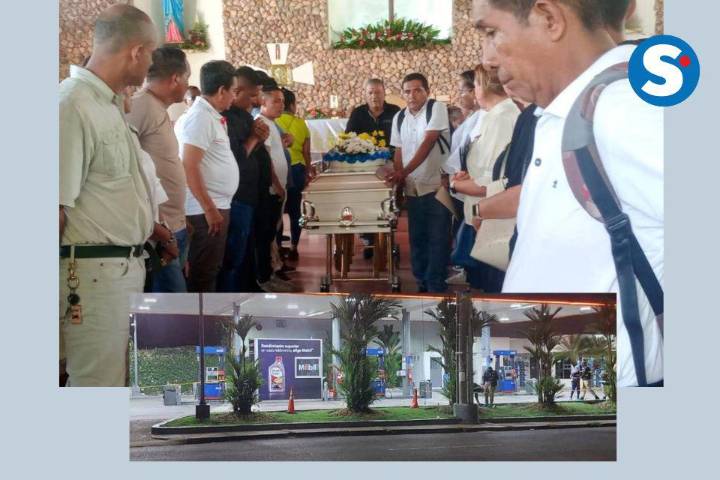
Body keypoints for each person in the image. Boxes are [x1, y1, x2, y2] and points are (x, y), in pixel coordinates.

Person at [474, 0, 663, 387]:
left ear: (549, 18)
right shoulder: (571, 110)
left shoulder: (625, 109)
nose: (487, 58)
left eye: (492, 32)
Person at [59, 4, 157, 386]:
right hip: (91, 275)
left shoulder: (107, 103)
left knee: (113, 380)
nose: (151, 63)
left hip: (118, 269)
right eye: (151, 53)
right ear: (136, 51)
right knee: (97, 384)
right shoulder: (72, 104)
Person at [126, 46, 191, 293]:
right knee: (173, 304)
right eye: (186, 78)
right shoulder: (141, 106)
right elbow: (130, 170)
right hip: (159, 231)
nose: (187, 84)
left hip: (173, 223)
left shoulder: (155, 107)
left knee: (176, 300)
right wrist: (161, 230)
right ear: (175, 78)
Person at [451, 64, 520, 292]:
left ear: (485, 86)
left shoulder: (502, 117)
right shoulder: (495, 115)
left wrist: (456, 184)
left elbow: (492, 181)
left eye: (476, 85)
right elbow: (486, 167)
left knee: (492, 286)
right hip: (484, 214)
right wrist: (468, 176)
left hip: (492, 218)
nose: (474, 91)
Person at [177, 60, 240, 292]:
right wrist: (209, 208)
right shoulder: (200, 118)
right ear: (222, 90)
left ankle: (206, 311)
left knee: (210, 268)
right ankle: (200, 315)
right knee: (203, 272)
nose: (234, 97)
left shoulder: (210, 115)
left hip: (214, 205)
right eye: (233, 91)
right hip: (204, 210)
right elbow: (189, 165)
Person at [388, 73, 452, 293]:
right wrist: (399, 181)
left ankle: (436, 284)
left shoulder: (436, 109)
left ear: (427, 91)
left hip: (436, 185)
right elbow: (398, 150)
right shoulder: (399, 118)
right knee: (417, 238)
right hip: (412, 187)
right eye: (407, 91)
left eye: (417, 90)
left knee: (438, 237)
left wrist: (403, 172)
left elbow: (429, 141)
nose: (412, 95)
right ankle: (422, 282)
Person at [217, 66, 270, 292]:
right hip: (237, 196)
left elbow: (252, 150)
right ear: (236, 92)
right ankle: (230, 300)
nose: (256, 100)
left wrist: (259, 138)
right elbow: (236, 158)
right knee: (234, 257)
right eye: (252, 95)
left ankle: (248, 290)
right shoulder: (226, 119)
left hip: (250, 194)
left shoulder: (244, 115)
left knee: (247, 250)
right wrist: (254, 138)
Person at [254, 85, 296, 292]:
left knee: (272, 232)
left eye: (283, 101)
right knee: (266, 235)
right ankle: (265, 277)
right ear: (263, 102)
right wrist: (276, 184)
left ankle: (271, 272)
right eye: (276, 101)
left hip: (277, 187)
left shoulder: (272, 123)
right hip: (271, 190)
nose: (282, 105)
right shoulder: (261, 123)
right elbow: (266, 158)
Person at [276, 88, 314, 262]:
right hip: (297, 168)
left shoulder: (274, 121)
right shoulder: (301, 123)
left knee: (278, 211)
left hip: (279, 169)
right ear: (292, 105)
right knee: (294, 210)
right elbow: (306, 152)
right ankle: (294, 247)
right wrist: (308, 170)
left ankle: (278, 247)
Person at [346, 78, 401, 144]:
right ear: (365, 95)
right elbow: (348, 137)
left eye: (378, 93)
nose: (374, 96)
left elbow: (402, 136)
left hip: (391, 150)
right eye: (370, 93)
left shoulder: (395, 111)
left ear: (384, 94)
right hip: (364, 150)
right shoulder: (357, 113)